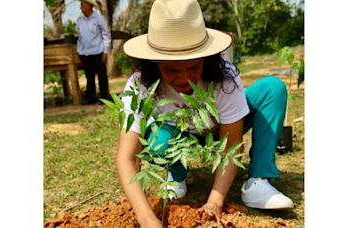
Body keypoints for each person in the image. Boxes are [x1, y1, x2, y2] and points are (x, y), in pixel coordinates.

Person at [117, 0, 294, 227]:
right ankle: (177, 175)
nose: (184, 79)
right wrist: (147, 218)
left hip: (221, 130)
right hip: (177, 135)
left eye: (193, 67)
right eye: (171, 70)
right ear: (154, 64)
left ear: (206, 59)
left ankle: (257, 180)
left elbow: (231, 144)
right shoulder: (140, 85)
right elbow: (127, 157)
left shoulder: (224, 78)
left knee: (273, 88)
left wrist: (215, 201)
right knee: (156, 136)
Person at [76, 0, 111, 105]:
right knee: (89, 75)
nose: (81, 7)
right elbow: (80, 37)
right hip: (85, 53)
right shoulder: (80, 20)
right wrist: (79, 51)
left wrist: (105, 51)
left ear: (90, 6)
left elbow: (106, 34)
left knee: (101, 75)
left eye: (83, 4)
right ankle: (90, 97)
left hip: (98, 51)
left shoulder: (98, 18)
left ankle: (104, 97)